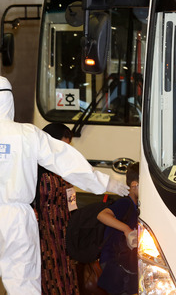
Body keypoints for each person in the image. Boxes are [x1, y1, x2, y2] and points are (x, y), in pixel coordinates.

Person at [0, 76, 129, 295]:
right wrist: (107, 183)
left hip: (18, 213)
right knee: (23, 281)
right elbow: (66, 161)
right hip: (16, 218)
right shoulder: (27, 135)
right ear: (9, 100)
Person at [34, 123, 80, 295]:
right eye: (62, 146)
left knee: (65, 273)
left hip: (64, 232)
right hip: (42, 233)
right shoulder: (33, 166)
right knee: (47, 273)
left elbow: (71, 199)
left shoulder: (64, 167)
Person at [96, 162, 138, 295]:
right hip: (113, 262)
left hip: (124, 263)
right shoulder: (125, 203)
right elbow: (102, 215)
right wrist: (126, 229)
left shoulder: (138, 207)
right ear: (134, 185)